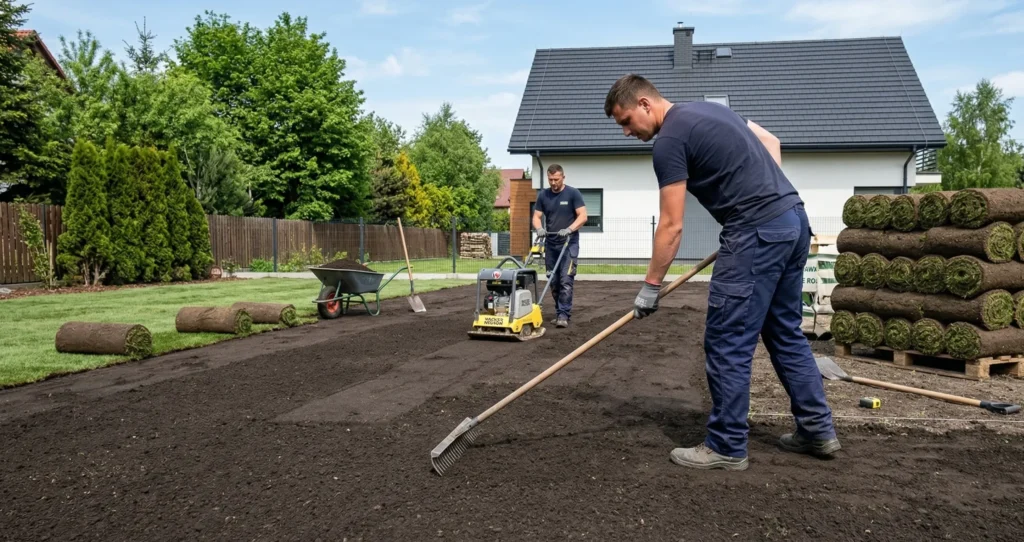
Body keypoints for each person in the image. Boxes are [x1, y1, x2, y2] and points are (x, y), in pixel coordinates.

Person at [604, 74, 839, 471]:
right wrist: (766, 202)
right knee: (783, 332)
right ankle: (817, 430)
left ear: (645, 104)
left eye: (626, 121)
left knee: (728, 339)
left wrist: (650, 286)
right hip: (793, 220)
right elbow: (771, 143)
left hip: (756, 233)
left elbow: (671, 225)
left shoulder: (669, 142)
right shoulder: (711, 109)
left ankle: (727, 444)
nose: (627, 132)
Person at [532, 164, 588, 328]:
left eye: (556, 179)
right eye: (550, 180)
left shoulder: (573, 193)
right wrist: (539, 228)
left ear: (563, 177)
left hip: (569, 244)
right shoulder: (544, 195)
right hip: (551, 244)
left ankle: (563, 314)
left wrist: (570, 229)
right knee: (553, 280)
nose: (553, 183)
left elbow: (583, 216)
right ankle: (559, 312)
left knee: (565, 280)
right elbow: (536, 217)